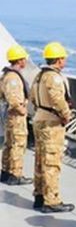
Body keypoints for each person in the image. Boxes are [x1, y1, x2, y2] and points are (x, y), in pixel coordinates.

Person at [30, 42, 74, 213]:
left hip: (39, 119)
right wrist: (66, 115)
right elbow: (58, 99)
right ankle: (51, 200)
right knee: (52, 162)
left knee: (40, 160)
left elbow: (33, 98)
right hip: (51, 124)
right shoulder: (54, 77)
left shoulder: (39, 76)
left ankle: (39, 196)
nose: (64, 61)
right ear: (58, 59)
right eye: (63, 58)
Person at [1, 44, 32, 185]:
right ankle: (15, 174)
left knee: (9, 143)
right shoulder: (13, 78)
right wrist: (23, 110)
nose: (25, 61)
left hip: (10, 115)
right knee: (18, 143)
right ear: (19, 60)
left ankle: (6, 172)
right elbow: (14, 100)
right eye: (24, 58)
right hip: (15, 116)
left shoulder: (7, 75)